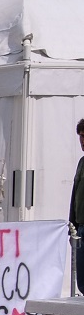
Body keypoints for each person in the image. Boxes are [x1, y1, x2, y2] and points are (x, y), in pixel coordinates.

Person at [70, 119, 84, 295]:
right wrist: (71, 225)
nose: (82, 140)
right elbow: (75, 196)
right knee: (81, 279)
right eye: (80, 136)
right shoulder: (81, 163)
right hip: (80, 228)